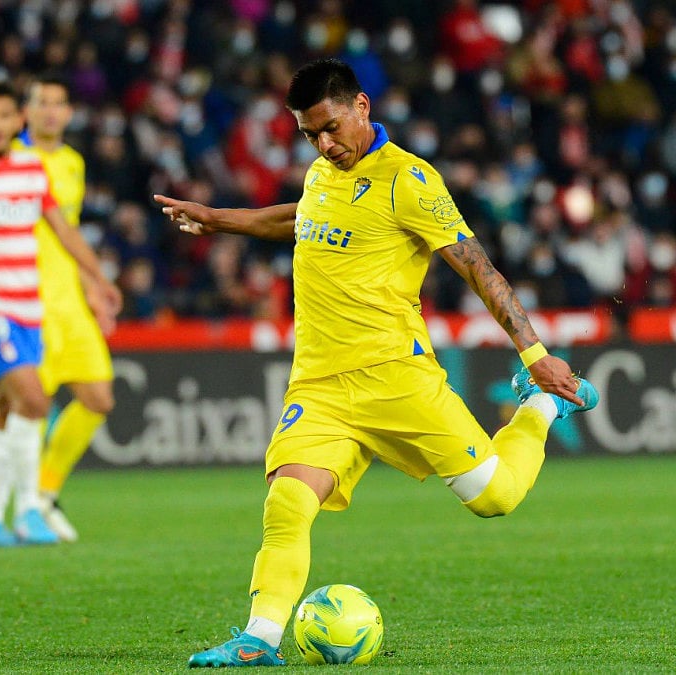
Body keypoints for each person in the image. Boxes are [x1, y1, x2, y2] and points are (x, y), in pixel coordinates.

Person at [154, 59, 600, 668]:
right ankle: (259, 639)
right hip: (320, 384)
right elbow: (298, 217)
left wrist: (537, 356)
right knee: (287, 500)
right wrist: (216, 218)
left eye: (332, 127)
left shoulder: (409, 181)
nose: (324, 144)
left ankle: (540, 406)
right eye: (311, 134)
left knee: (494, 498)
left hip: (397, 376)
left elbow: (475, 265)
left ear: (362, 105)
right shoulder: (321, 173)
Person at [0, 81, 120, 549]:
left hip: (28, 306)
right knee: (35, 402)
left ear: (17, 123)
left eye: (3, 116)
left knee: (5, 409)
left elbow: (66, 232)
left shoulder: (32, 170)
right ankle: (33, 507)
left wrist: (98, 277)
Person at [2, 75, 116, 542]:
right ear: (26, 111)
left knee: (98, 398)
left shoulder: (72, 162)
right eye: (42, 102)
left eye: (59, 103)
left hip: (69, 299)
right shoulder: (9, 158)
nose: (51, 111)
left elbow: (67, 231)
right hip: (26, 295)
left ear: (69, 113)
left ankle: (43, 494)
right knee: (30, 405)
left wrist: (92, 285)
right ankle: (17, 507)